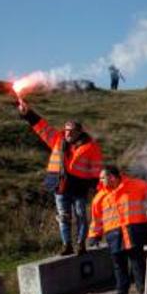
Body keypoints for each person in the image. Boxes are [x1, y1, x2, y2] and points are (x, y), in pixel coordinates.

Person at [18, 102, 104, 255]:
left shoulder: (91, 147)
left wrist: (96, 189)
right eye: (66, 131)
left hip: (79, 187)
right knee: (63, 217)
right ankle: (67, 245)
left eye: (71, 131)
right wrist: (28, 114)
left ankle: (80, 244)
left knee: (80, 216)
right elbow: (42, 128)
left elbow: (96, 170)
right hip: (60, 185)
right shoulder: (58, 140)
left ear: (79, 132)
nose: (68, 134)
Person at [88, 165, 147, 294]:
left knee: (138, 262)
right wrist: (94, 235)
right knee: (119, 265)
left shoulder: (137, 185)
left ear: (112, 177)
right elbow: (96, 219)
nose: (100, 181)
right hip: (114, 235)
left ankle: (144, 291)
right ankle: (122, 293)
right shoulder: (99, 198)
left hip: (134, 231)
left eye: (102, 178)